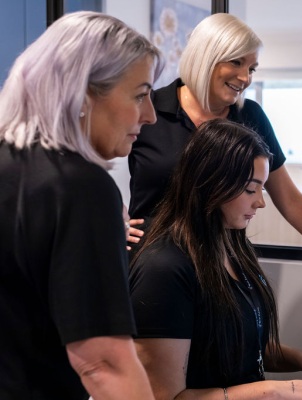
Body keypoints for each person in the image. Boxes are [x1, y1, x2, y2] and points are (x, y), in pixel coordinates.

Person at [127, 13, 302, 288]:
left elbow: (288, 197)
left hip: (222, 268)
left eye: (251, 68)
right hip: (154, 267)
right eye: (236, 62)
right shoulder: (151, 107)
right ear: (205, 57)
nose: (245, 77)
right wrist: (115, 219)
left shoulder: (249, 116)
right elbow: (89, 159)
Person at [129, 119, 302, 400]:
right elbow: (168, 397)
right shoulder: (164, 270)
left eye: (262, 189)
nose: (261, 202)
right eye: (250, 190)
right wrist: (277, 389)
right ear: (212, 183)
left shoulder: (232, 245)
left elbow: (240, 344)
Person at [0, 11, 164, 399]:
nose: (151, 116)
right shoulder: (79, 188)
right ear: (82, 94)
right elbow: (104, 364)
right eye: (140, 95)